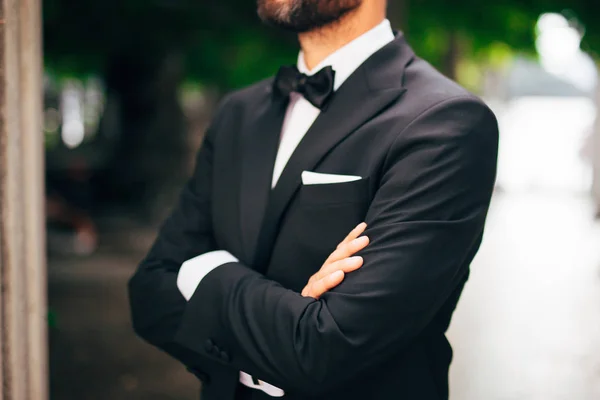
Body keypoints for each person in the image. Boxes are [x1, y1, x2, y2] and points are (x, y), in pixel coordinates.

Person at [128, 0, 499, 399]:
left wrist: (206, 271)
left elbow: (327, 348)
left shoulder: (445, 122)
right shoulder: (238, 114)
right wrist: (288, 323)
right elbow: (149, 295)